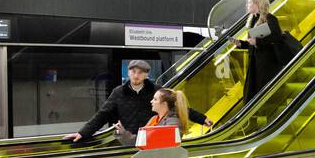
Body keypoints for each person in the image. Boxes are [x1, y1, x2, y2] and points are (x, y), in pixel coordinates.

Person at [64, 59, 212, 145]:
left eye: (140, 72)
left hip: (151, 141)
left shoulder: (156, 90)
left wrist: (202, 118)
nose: (136, 75)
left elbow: (179, 106)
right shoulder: (118, 92)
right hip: (128, 142)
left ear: (146, 74)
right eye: (133, 71)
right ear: (128, 72)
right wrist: (83, 132)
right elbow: (103, 114)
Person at [238, 0, 294, 101]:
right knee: (253, 93)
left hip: (268, 63)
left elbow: (276, 37)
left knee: (265, 92)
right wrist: (241, 44)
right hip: (255, 63)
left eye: (250, 2)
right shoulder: (253, 20)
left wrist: (257, 41)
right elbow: (252, 44)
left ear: (258, 4)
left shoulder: (270, 18)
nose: (247, 5)